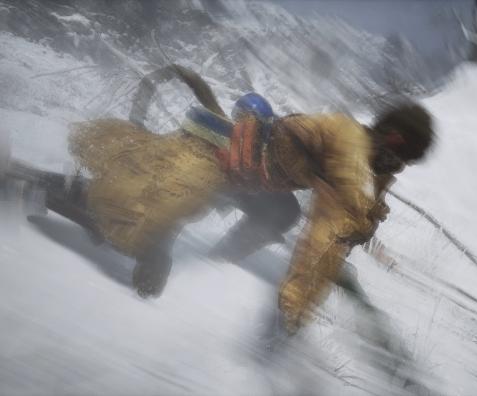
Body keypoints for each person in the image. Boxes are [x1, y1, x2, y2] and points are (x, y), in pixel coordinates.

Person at [4, 64, 435, 334]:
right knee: (130, 222)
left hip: (248, 181)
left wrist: (370, 213)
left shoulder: (371, 162)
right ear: (393, 139)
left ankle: (217, 263)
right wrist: (296, 306)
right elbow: (339, 215)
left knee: (279, 213)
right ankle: (25, 180)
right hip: (209, 161)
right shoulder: (347, 140)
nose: (396, 167)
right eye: (400, 156)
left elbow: (354, 209)